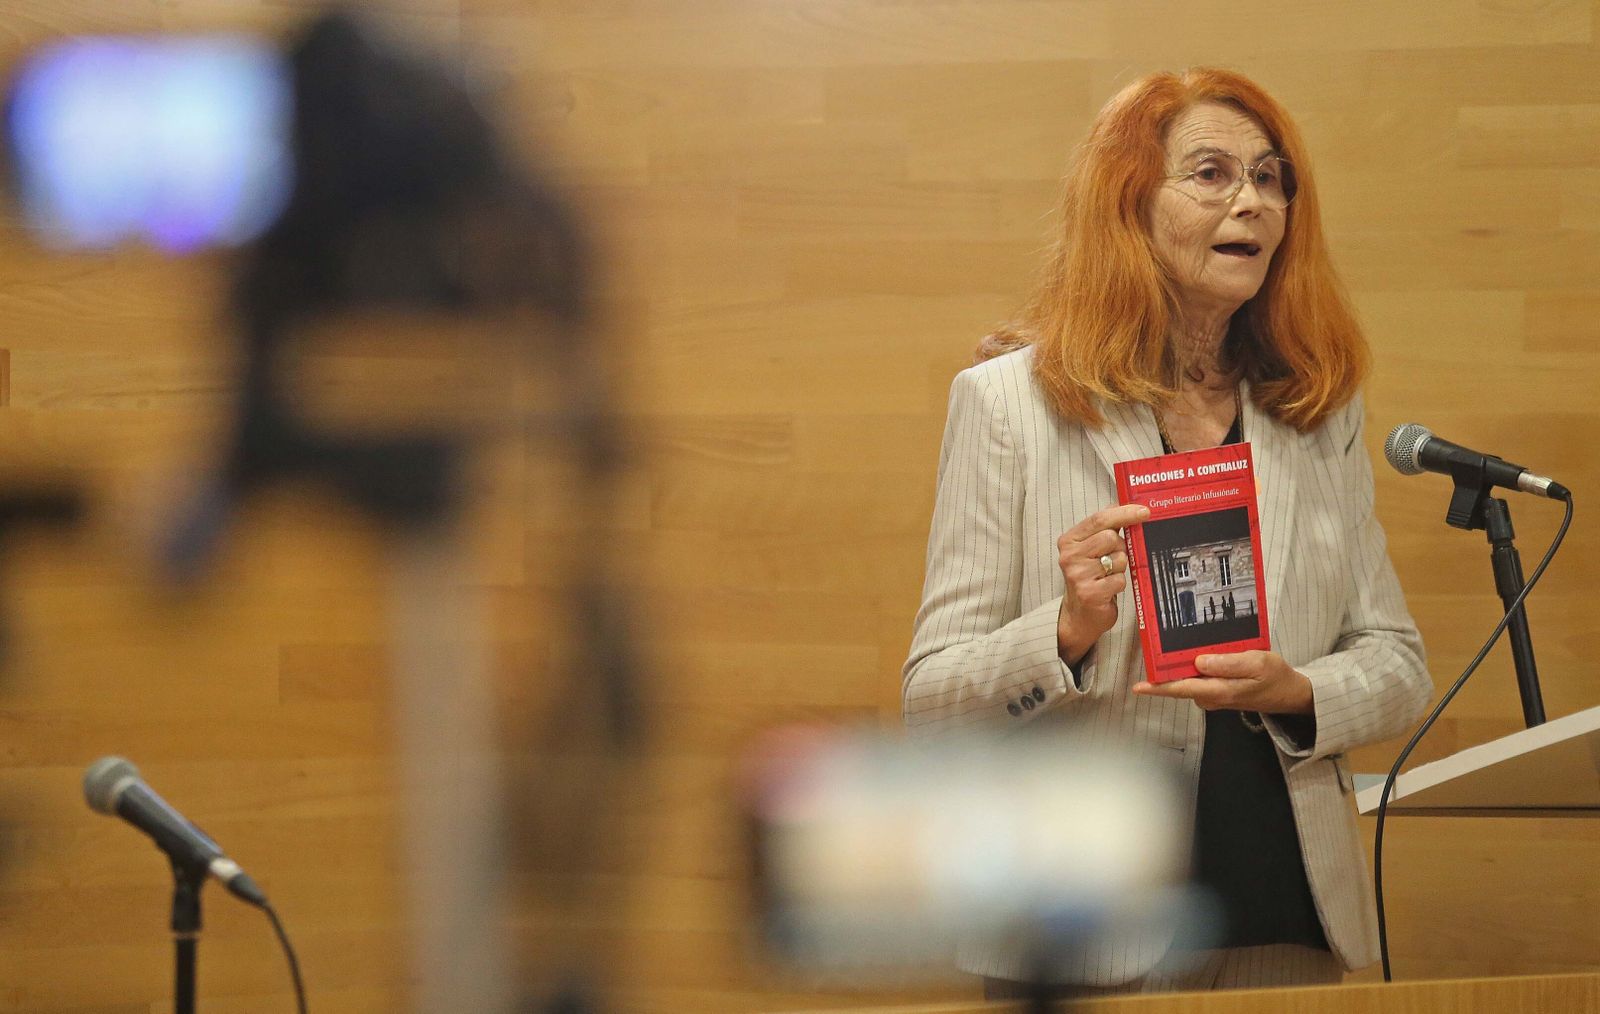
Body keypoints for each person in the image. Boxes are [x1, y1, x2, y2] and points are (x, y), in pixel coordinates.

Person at [901, 68, 1431, 994]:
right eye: (1212, 173)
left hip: (1281, 907)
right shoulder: (1008, 404)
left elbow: (1397, 662)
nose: (1252, 201)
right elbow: (931, 698)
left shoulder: (1315, 411)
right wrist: (1065, 632)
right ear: (1128, 205)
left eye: (1270, 178)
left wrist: (1297, 690)